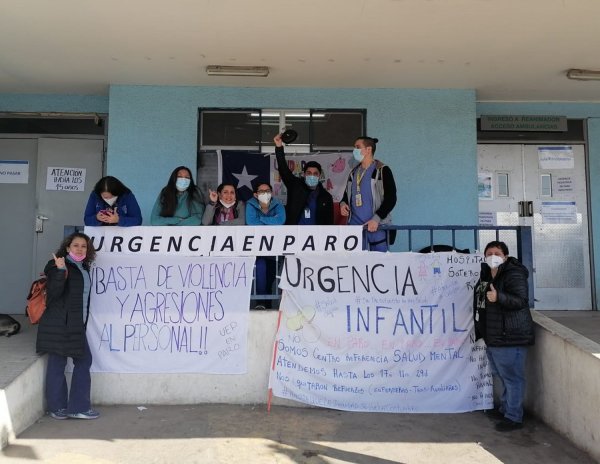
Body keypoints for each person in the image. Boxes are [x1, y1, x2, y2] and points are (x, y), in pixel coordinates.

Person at [36, 232, 100, 420]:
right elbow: (54, 293)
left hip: (73, 324)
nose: (80, 249)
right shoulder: (57, 265)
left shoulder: (83, 267)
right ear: (67, 248)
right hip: (60, 324)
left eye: (83, 246)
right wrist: (60, 270)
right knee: (64, 363)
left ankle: (64, 407)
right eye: (76, 245)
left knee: (71, 362)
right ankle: (70, 408)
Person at [473, 240, 534, 432]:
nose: (492, 256)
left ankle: (514, 417)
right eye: (489, 252)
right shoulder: (486, 273)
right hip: (494, 336)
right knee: (502, 375)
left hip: (510, 336)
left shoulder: (513, 273)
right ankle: (506, 409)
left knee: (512, 377)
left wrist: (499, 297)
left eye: (497, 253)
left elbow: (521, 301)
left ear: (505, 256)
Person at [340, 136, 397, 252]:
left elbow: (391, 198)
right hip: (356, 228)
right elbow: (346, 195)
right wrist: (342, 204)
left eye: (357, 147)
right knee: (356, 265)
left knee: (380, 265)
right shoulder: (353, 172)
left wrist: (376, 219)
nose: (354, 150)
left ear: (368, 150)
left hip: (377, 226)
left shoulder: (382, 170)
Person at [274, 133, 334, 225]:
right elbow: (283, 169)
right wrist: (279, 147)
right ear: (304, 174)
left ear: (319, 176)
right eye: (309, 173)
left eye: (315, 174)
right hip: (294, 235)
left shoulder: (326, 197)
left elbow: (329, 222)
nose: (312, 176)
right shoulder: (295, 186)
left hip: (316, 237)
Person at [245, 182, 286, 309]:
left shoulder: (278, 204)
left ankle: (266, 305)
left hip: (274, 249)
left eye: (267, 191)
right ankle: (260, 304)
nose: (265, 194)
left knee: (270, 277)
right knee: (260, 271)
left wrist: (261, 219)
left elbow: (280, 221)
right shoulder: (250, 204)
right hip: (256, 248)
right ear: (255, 194)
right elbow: (251, 222)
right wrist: (270, 221)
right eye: (261, 191)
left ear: (272, 192)